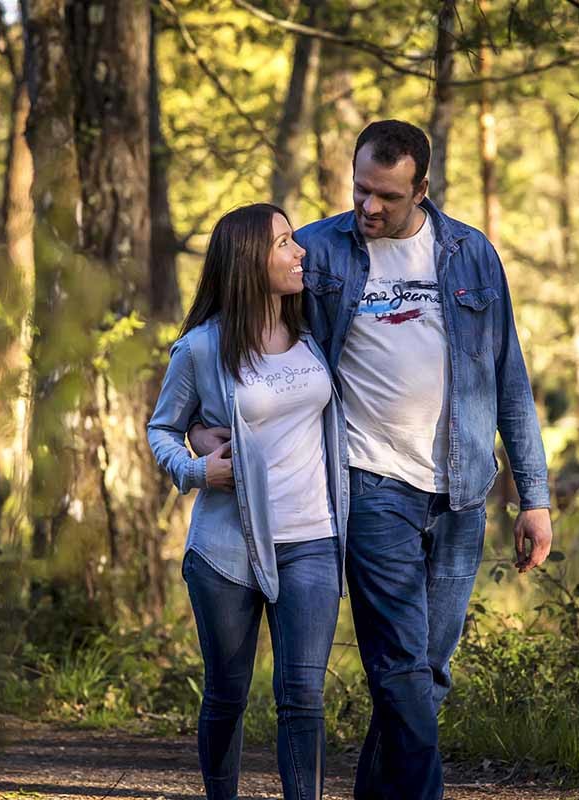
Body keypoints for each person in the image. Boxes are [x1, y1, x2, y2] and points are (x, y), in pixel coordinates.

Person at [191, 120, 554, 799]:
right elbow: (238, 313)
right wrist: (204, 424)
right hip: (368, 482)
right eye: (360, 189)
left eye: (386, 195)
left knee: (426, 675)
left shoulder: (471, 254)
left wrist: (532, 496)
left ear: (421, 188)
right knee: (401, 670)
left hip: (461, 491)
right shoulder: (323, 250)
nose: (369, 207)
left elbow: (510, 376)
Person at [147, 203, 349, 800]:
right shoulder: (201, 349)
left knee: (303, 698)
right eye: (285, 243)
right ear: (247, 263)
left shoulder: (314, 324)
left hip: (312, 536)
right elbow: (162, 428)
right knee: (228, 692)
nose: (300, 252)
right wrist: (195, 467)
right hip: (226, 548)